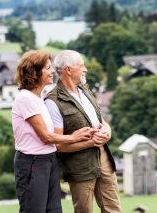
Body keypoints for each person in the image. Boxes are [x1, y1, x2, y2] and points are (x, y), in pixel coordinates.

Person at [12, 50, 95, 213]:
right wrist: (74, 137)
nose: (52, 72)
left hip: (49, 159)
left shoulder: (38, 99)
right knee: (34, 210)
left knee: (55, 210)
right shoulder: (25, 98)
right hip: (33, 162)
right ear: (34, 73)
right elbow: (46, 137)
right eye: (48, 68)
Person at [45, 50, 121, 213]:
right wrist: (91, 142)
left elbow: (101, 121)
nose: (85, 69)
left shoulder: (85, 90)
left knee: (113, 209)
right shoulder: (53, 101)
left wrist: (107, 132)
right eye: (82, 66)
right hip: (79, 165)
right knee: (84, 210)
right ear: (69, 70)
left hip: (104, 157)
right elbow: (58, 144)